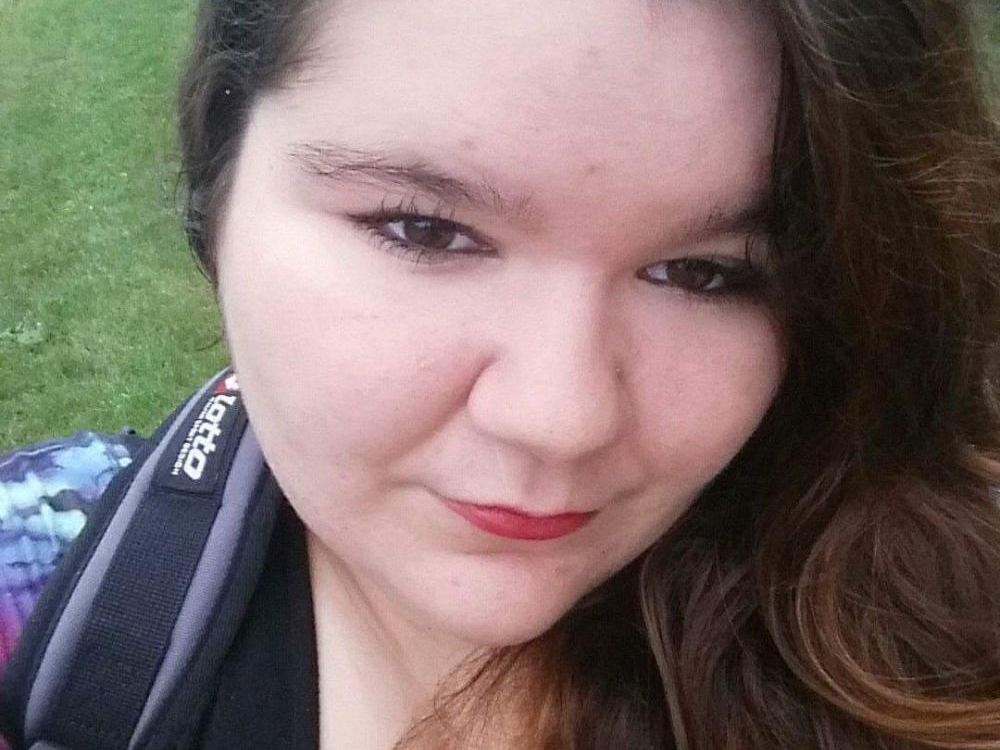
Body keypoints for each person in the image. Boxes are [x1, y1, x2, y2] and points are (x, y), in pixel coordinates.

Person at [1, 0, 999, 748]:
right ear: (216, 196)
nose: (561, 419)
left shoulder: (947, 623)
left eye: (706, 274)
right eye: (423, 229)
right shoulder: (37, 580)